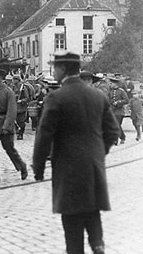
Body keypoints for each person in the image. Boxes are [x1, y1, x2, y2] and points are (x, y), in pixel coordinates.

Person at [33, 52, 119, 254]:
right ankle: (98, 246)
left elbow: (44, 135)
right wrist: (99, 153)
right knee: (92, 212)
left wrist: (38, 168)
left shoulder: (56, 97)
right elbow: (113, 131)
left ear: (63, 69)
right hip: (94, 166)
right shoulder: (98, 96)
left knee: (72, 223)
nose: (54, 72)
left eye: (55, 68)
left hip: (68, 168)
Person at [0, 68, 28, 183]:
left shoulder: (9, 92)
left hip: (4, 125)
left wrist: (7, 126)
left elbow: (12, 111)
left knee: (9, 149)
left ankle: (22, 166)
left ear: (1, 78)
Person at [109, 77, 128, 144]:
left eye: (111, 83)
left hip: (119, 111)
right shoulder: (110, 91)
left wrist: (118, 102)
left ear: (115, 84)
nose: (110, 84)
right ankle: (120, 138)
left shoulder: (122, 91)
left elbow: (126, 100)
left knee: (117, 124)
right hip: (112, 111)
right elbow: (108, 99)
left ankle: (120, 138)